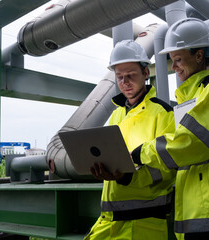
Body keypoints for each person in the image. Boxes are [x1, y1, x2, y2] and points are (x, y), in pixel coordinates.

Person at [131, 18, 209, 240]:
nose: (174, 66)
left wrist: (143, 152)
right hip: (198, 211)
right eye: (171, 60)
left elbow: (191, 142)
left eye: (177, 59)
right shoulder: (189, 97)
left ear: (198, 56)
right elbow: (180, 154)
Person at [84, 40, 176, 240]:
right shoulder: (117, 115)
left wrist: (126, 177)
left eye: (130, 75)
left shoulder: (163, 114)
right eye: (119, 77)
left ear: (145, 73)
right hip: (109, 220)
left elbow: (168, 171)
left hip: (144, 224)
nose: (124, 82)